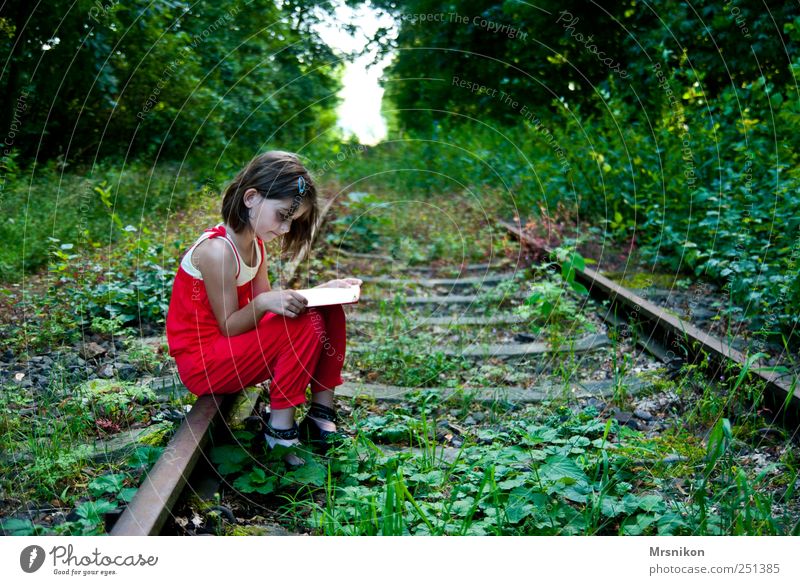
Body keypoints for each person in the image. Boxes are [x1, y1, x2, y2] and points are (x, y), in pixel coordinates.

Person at [165, 151, 361, 465]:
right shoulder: (217, 251)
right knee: (304, 322)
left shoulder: (253, 244)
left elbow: (267, 312)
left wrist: (317, 294)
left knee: (327, 310)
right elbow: (231, 324)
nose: (284, 229)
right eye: (282, 215)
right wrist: (264, 302)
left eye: (291, 222)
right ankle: (279, 431)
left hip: (231, 347)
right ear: (251, 198)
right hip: (204, 361)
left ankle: (321, 413)